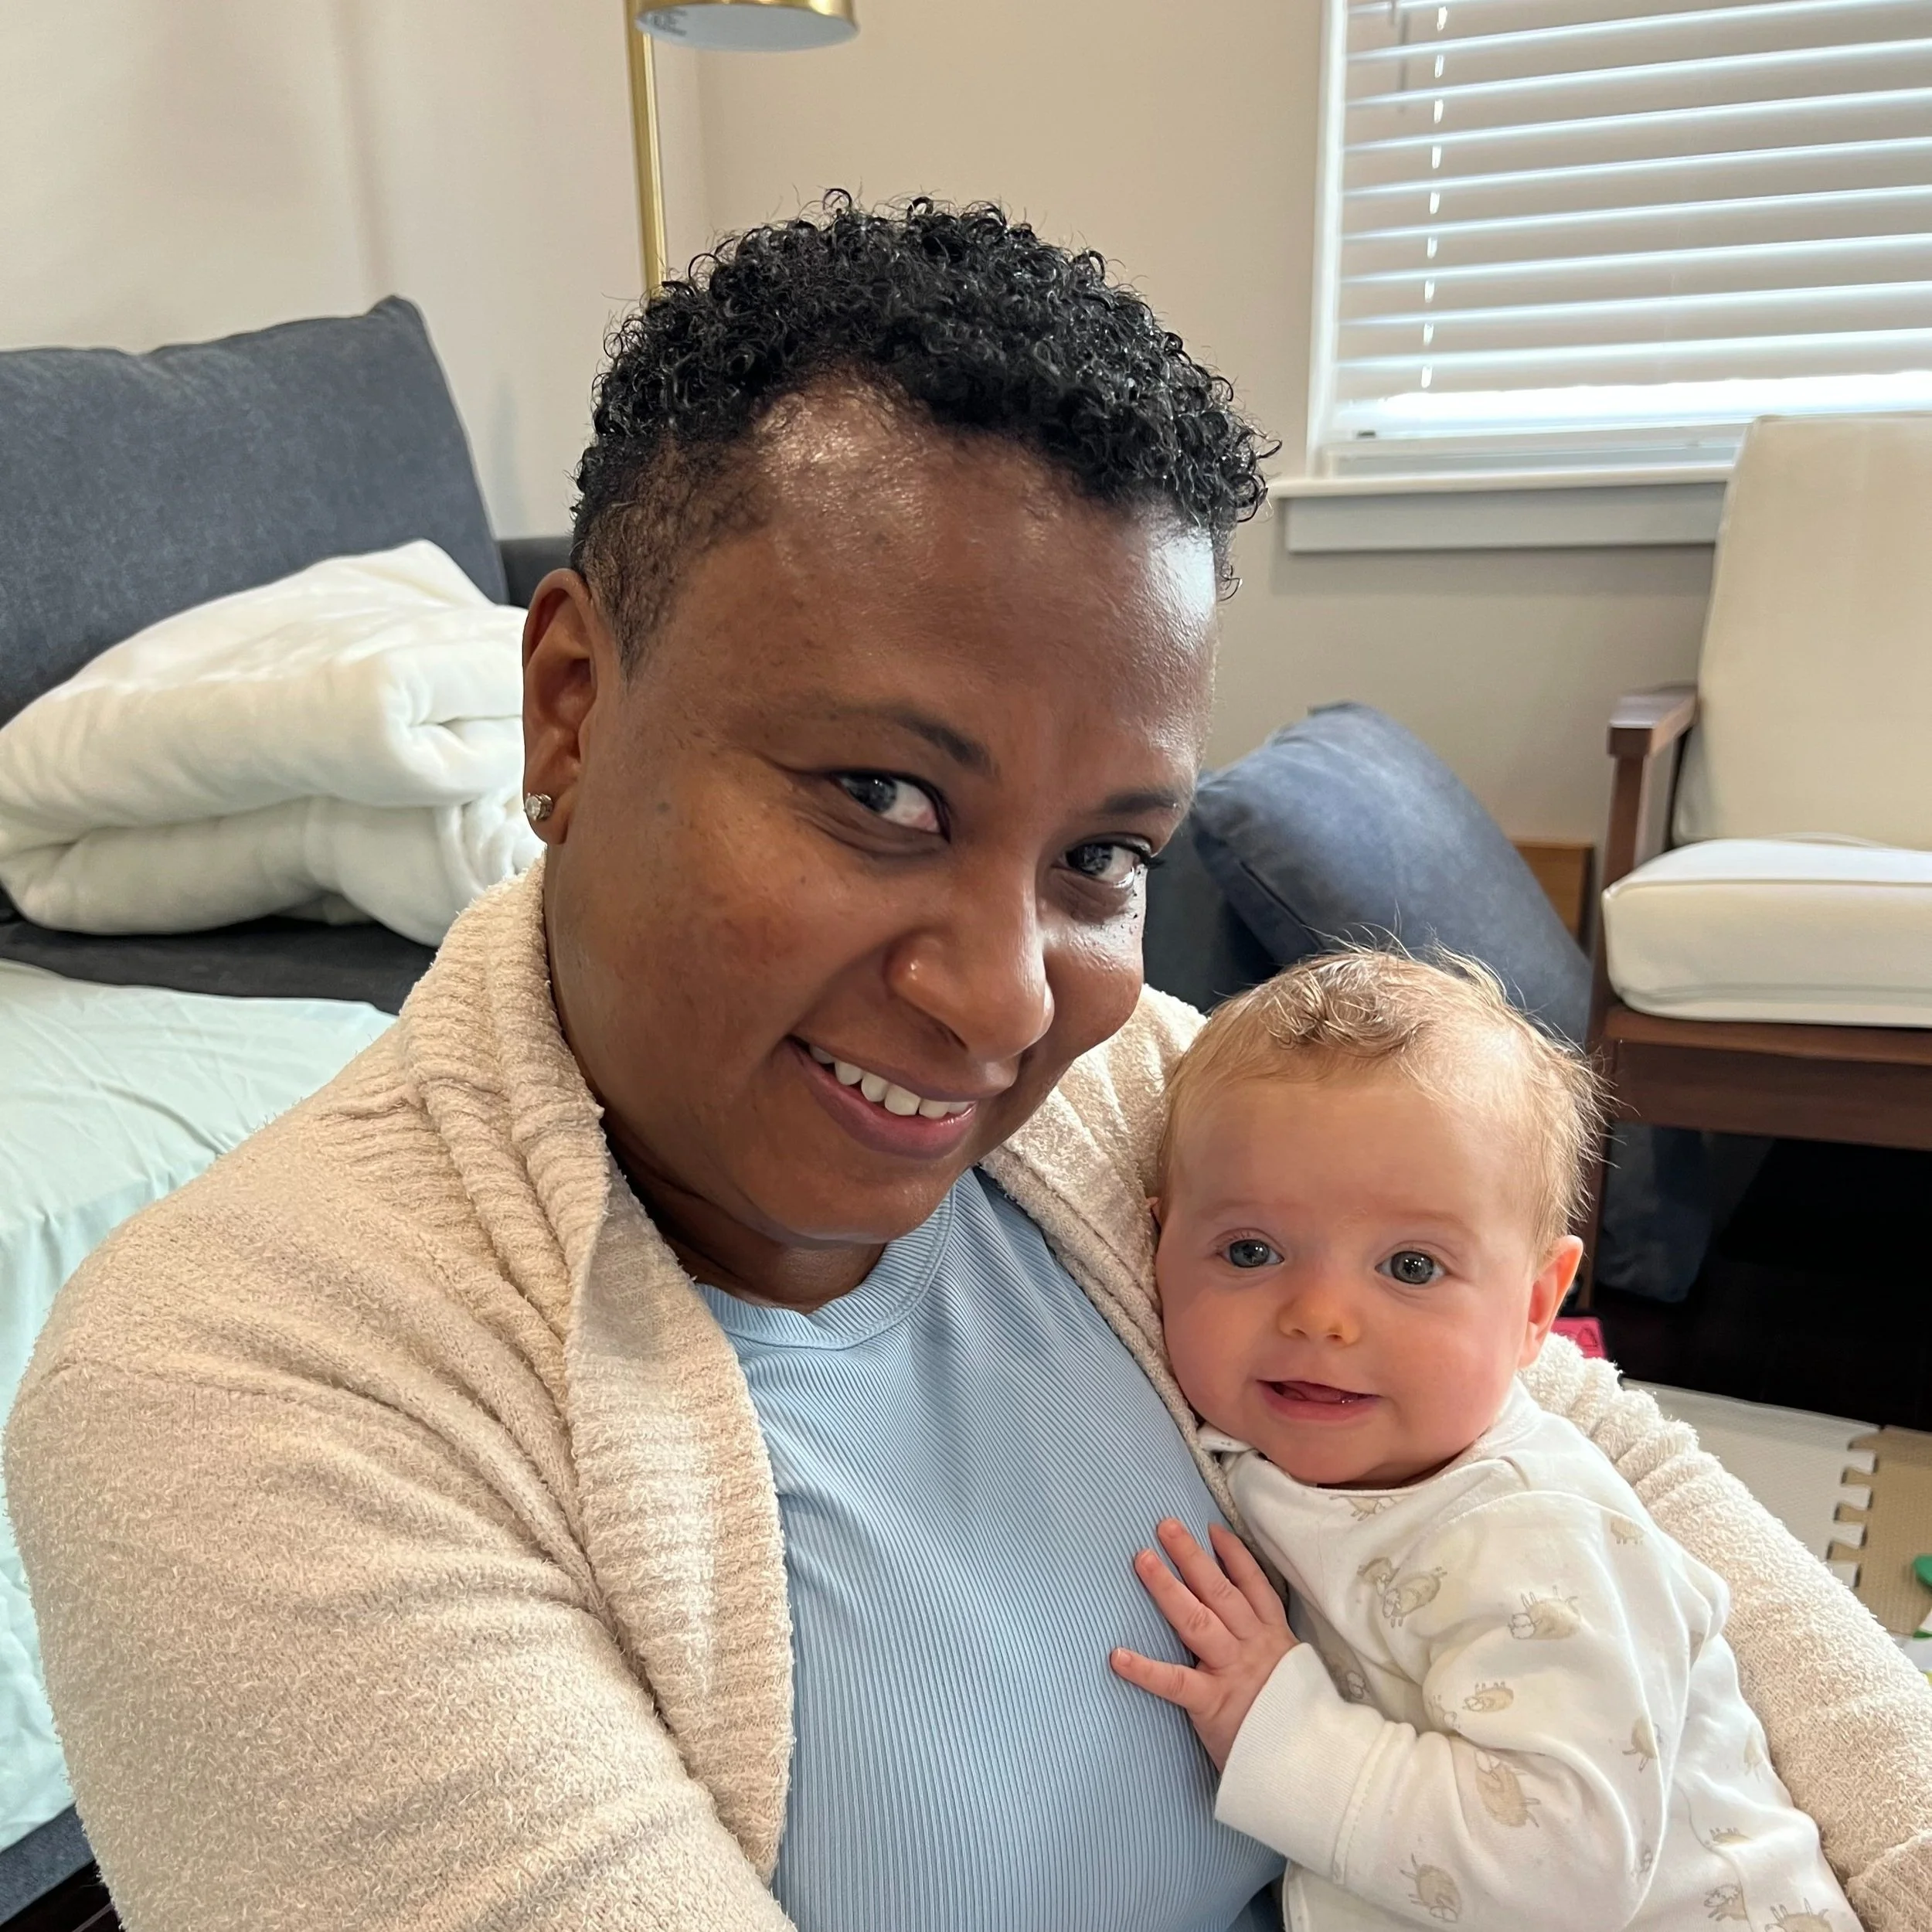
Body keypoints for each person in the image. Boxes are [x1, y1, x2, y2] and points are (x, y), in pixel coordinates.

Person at [7, 198, 1930, 1932]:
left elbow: (1578, 1443)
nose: (1007, 999)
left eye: (1104, 854)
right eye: (879, 792)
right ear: (572, 708)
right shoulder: (236, 1395)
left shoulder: (1115, 1094)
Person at [1111, 951, 1855, 1931]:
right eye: (1250, 1251)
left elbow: (1567, 1872)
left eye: (1411, 1265)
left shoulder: (1532, 1532)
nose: (1323, 1315)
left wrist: (1276, 1726)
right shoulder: (1249, 1446)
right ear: (1158, 1244)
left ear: (1536, 1306)